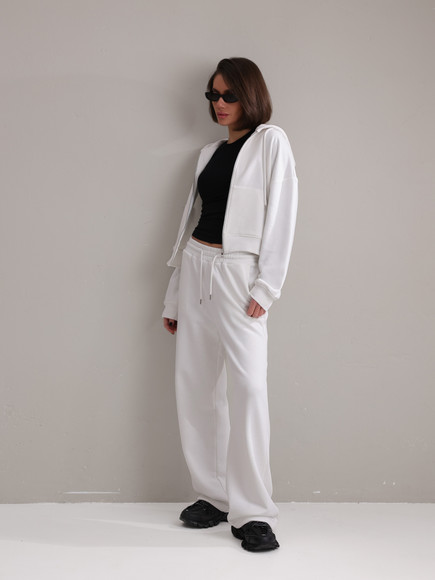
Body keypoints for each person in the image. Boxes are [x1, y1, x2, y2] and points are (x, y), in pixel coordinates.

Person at [162, 57, 298, 552]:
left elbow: (282, 215)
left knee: (248, 390)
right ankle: (213, 495)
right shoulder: (207, 154)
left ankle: (253, 512)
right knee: (196, 388)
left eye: (229, 95)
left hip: (239, 274)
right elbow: (193, 223)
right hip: (196, 267)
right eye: (212, 95)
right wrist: (174, 294)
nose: (219, 104)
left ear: (250, 95)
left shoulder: (270, 141)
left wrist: (266, 287)